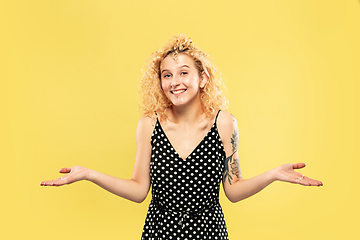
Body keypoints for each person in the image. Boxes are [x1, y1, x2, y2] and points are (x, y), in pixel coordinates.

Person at [40, 34, 323, 239]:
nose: (174, 82)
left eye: (183, 72)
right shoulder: (149, 125)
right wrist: (89, 174)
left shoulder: (224, 123)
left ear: (203, 78)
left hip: (209, 233)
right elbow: (139, 190)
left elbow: (233, 190)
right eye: (166, 75)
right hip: (159, 233)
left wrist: (273, 174)